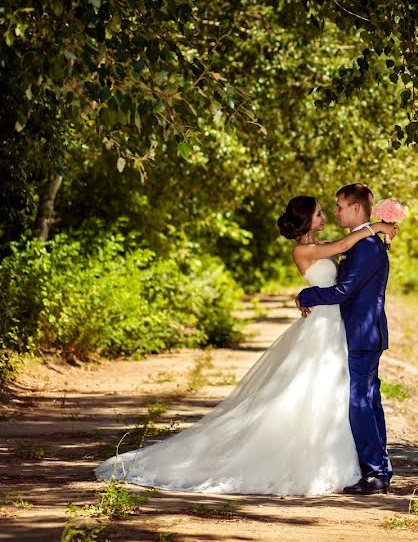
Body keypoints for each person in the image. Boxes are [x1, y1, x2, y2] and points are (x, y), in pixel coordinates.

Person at [94, 195, 397, 496]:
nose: (328, 215)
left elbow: (343, 266)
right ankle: (366, 467)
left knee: (349, 398)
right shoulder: (307, 249)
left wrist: (309, 294)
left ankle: (371, 467)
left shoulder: (348, 245)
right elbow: (342, 255)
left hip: (340, 329)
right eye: (320, 213)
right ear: (307, 221)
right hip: (327, 328)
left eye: (333, 208)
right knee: (328, 395)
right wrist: (377, 226)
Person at [296, 183, 392, 496]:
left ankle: (375, 473)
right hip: (359, 331)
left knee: (359, 403)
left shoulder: (365, 246)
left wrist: (306, 293)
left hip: (362, 334)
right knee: (370, 401)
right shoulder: (362, 242)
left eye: (339, 206)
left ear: (355, 208)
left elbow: (343, 291)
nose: (335, 212)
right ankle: (380, 468)